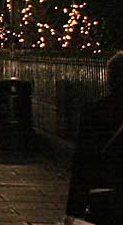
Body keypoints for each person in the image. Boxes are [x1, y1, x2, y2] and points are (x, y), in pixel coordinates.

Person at [66, 52, 123, 224]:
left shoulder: (94, 112)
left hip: (104, 197)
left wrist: (73, 210)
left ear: (110, 79)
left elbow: (82, 163)